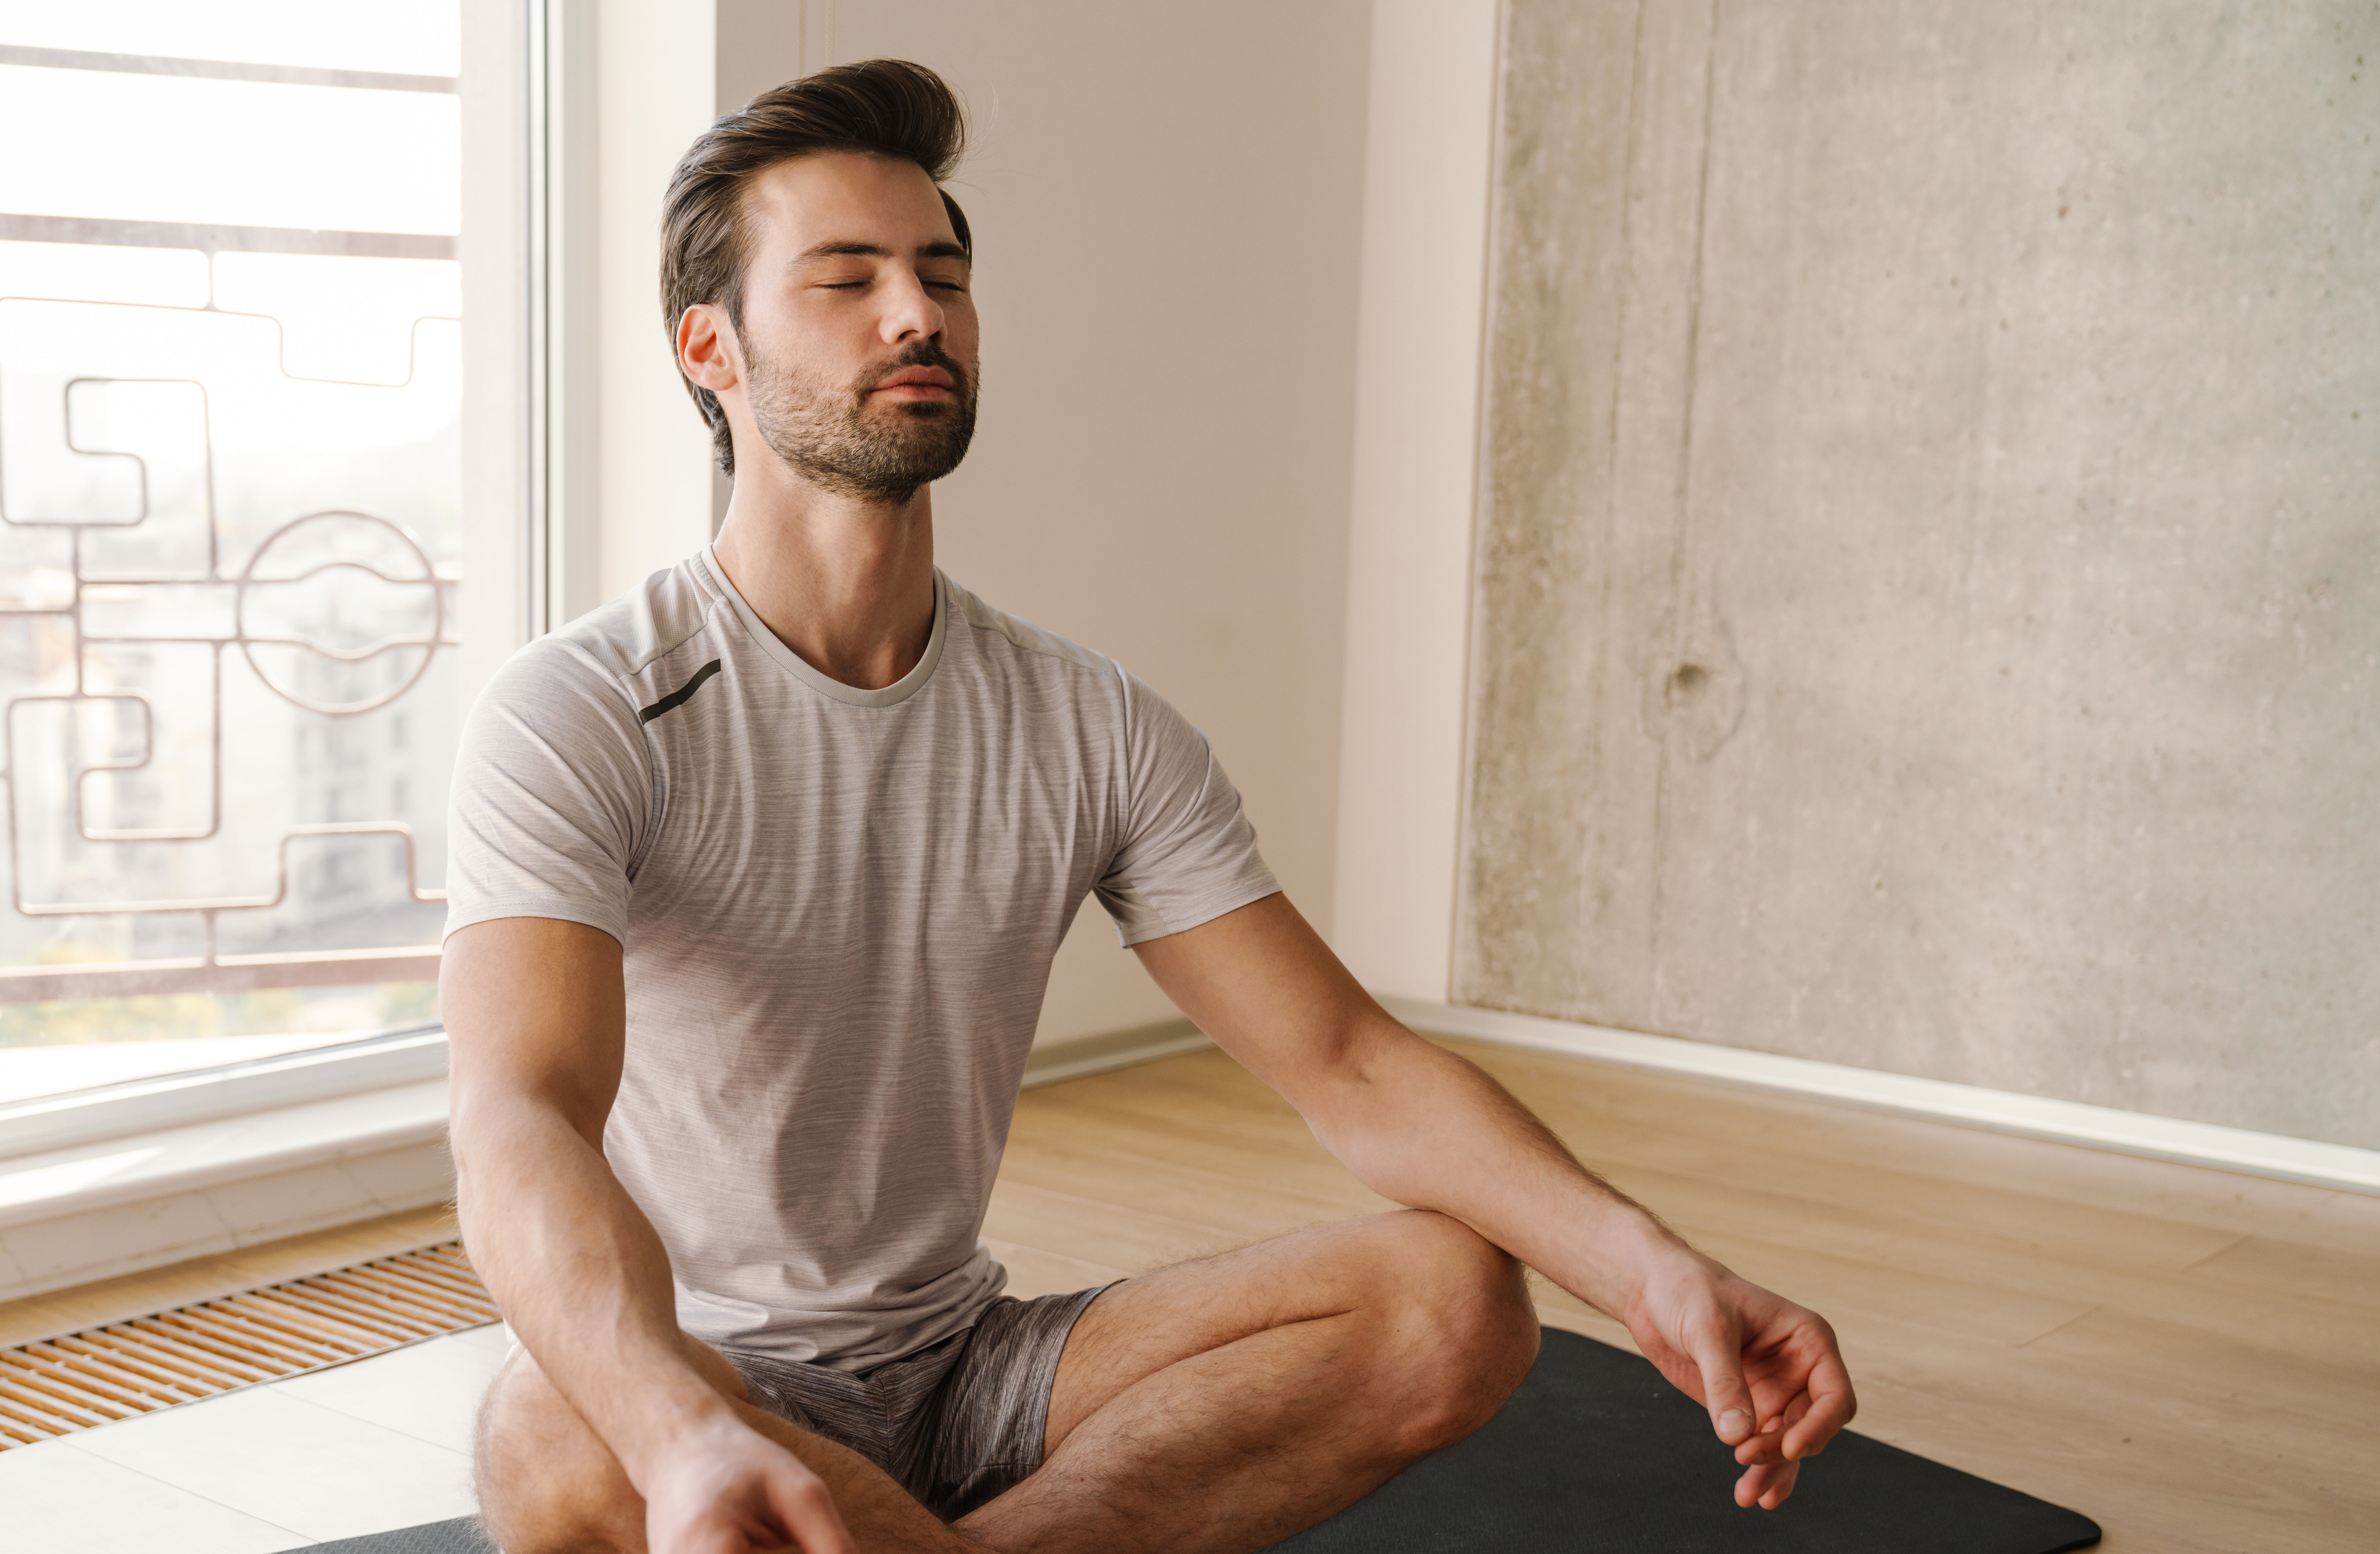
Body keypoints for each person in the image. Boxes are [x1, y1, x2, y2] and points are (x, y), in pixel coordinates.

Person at [441, 58, 1855, 1554]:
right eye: (845, 281)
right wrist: (675, 1432)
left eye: (942, 275)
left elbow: (1349, 1064)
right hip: (712, 1375)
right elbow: (518, 1111)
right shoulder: (585, 708)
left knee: (1451, 1295)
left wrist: (1654, 1270)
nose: (916, 315)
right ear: (710, 350)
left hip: (970, 1370)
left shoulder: (1081, 717)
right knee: (546, 1431)